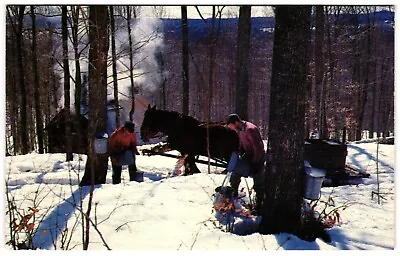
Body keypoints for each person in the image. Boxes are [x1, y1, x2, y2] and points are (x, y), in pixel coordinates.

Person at [225, 114, 266, 213]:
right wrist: (240, 152)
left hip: (258, 158)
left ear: (236, 122)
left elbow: (258, 148)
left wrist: (256, 163)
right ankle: (233, 196)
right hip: (248, 156)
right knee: (235, 172)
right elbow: (242, 144)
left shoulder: (250, 129)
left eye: (232, 126)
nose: (232, 129)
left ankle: (260, 206)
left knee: (258, 184)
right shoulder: (240, 130)